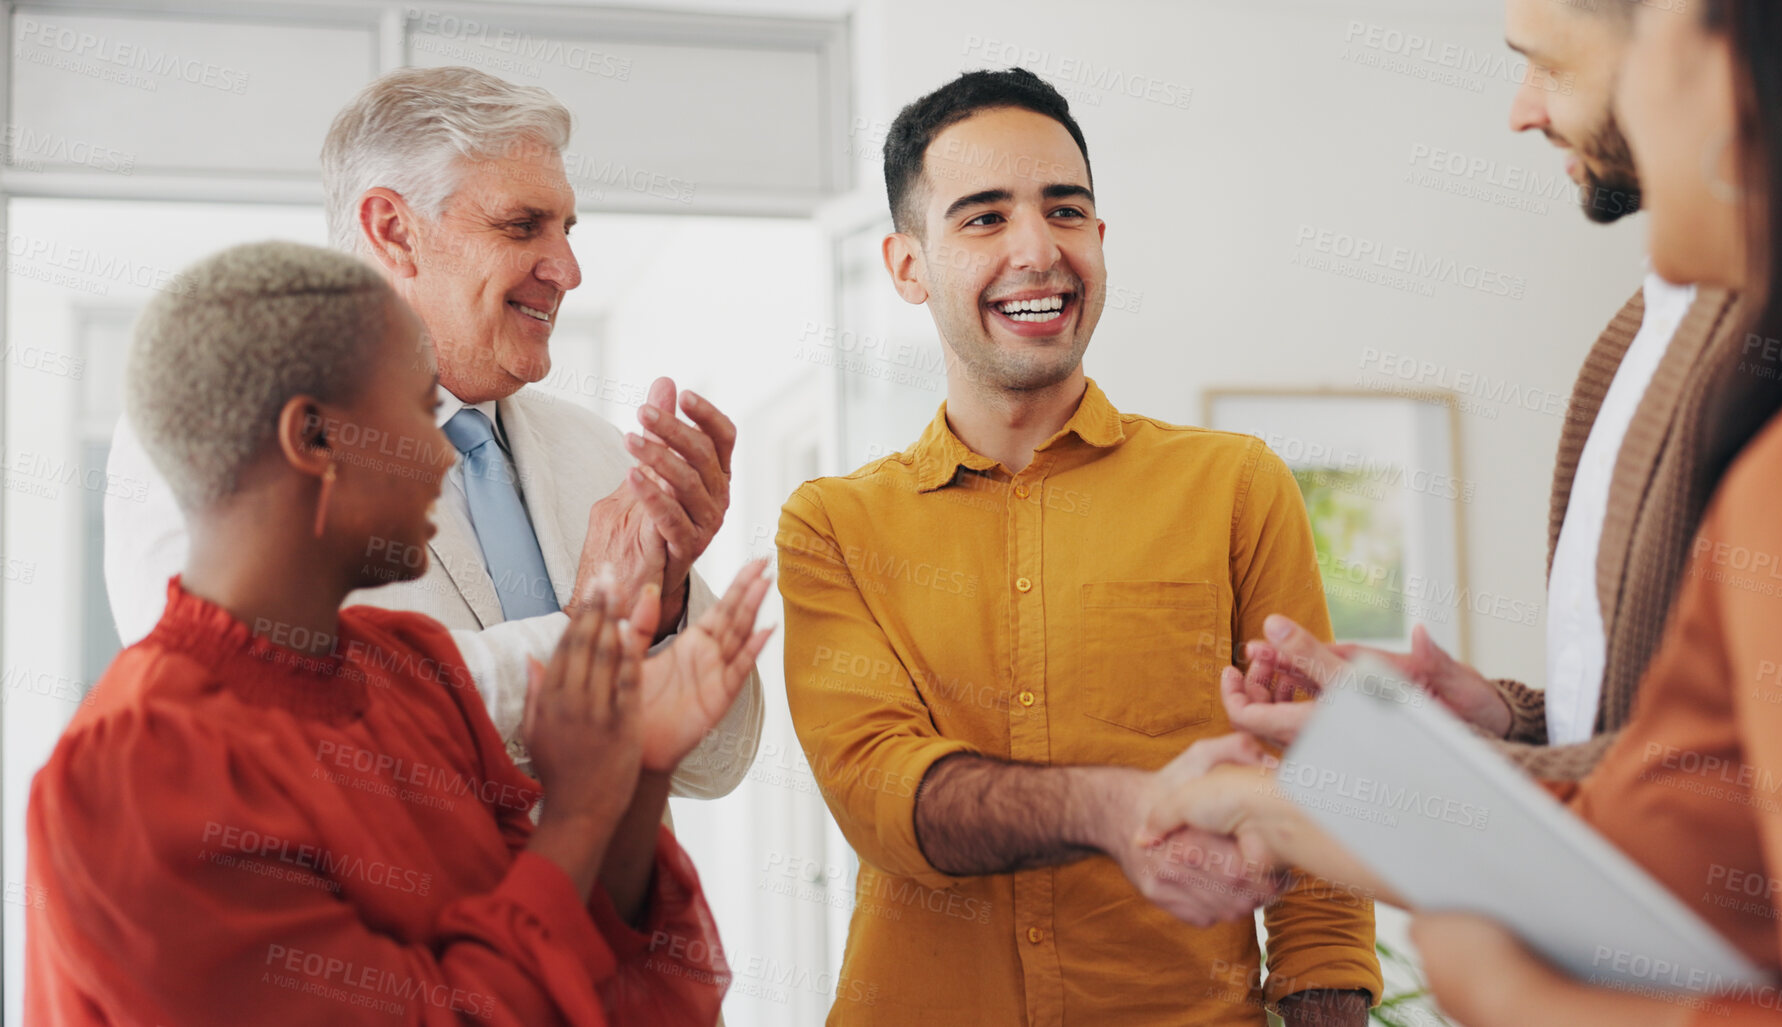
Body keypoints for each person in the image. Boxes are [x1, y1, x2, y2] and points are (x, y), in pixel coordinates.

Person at [1149, 1, 1782, 1022]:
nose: (1525, 111)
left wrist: (1515, 996)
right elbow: (1688, 789)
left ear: (1754, 68)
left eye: (1644, 45)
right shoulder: (1688, 356)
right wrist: (1362, 778)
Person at [27, 240, 774, 1025]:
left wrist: (637, 773)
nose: (442, 456)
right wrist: (584, 807)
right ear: (313, 438)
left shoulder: (409, 669)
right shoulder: (135, 776)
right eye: (422, 412)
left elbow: (585, 954)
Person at [775, 69, 1379, 1025]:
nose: (1036, 249)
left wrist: (1324, 1000)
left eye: (1065, 210)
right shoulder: (833, 525)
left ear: (1100, 239)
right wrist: (1114, 808)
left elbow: (1315, 772)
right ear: (907, 266)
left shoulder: (1232, 485)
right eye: (981, 217)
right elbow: (879, 792)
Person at [100, 66, 761, 796]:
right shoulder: (225, 430)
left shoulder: (605, 456)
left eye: (567, 229)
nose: (569, 270)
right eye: (522, 225)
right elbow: (275, 712)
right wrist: (589, 632)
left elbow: (718, 766)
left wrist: (663, 612)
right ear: (394, 231)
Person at [1251, 0, 1745, 781]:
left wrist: (1439, 767)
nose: (1521, 112)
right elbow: (1654, 720)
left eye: (1549, 65)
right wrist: (1505, 716)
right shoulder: (1643, 325)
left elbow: (1739, 769)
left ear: (1685, 52)